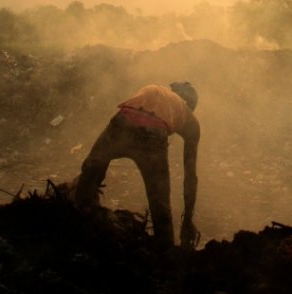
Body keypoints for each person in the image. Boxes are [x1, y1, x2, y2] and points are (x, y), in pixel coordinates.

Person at [74, 82, 201, 250]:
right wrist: (187, 221)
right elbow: (190, 177)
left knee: (89, 173)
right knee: (160, 207)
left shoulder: (155, 90)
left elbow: (95, 163)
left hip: (122, 121)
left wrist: (94, 175)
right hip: (153, 135)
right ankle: (165, 258)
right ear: (190, 104)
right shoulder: (189, 117)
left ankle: (78, 224)